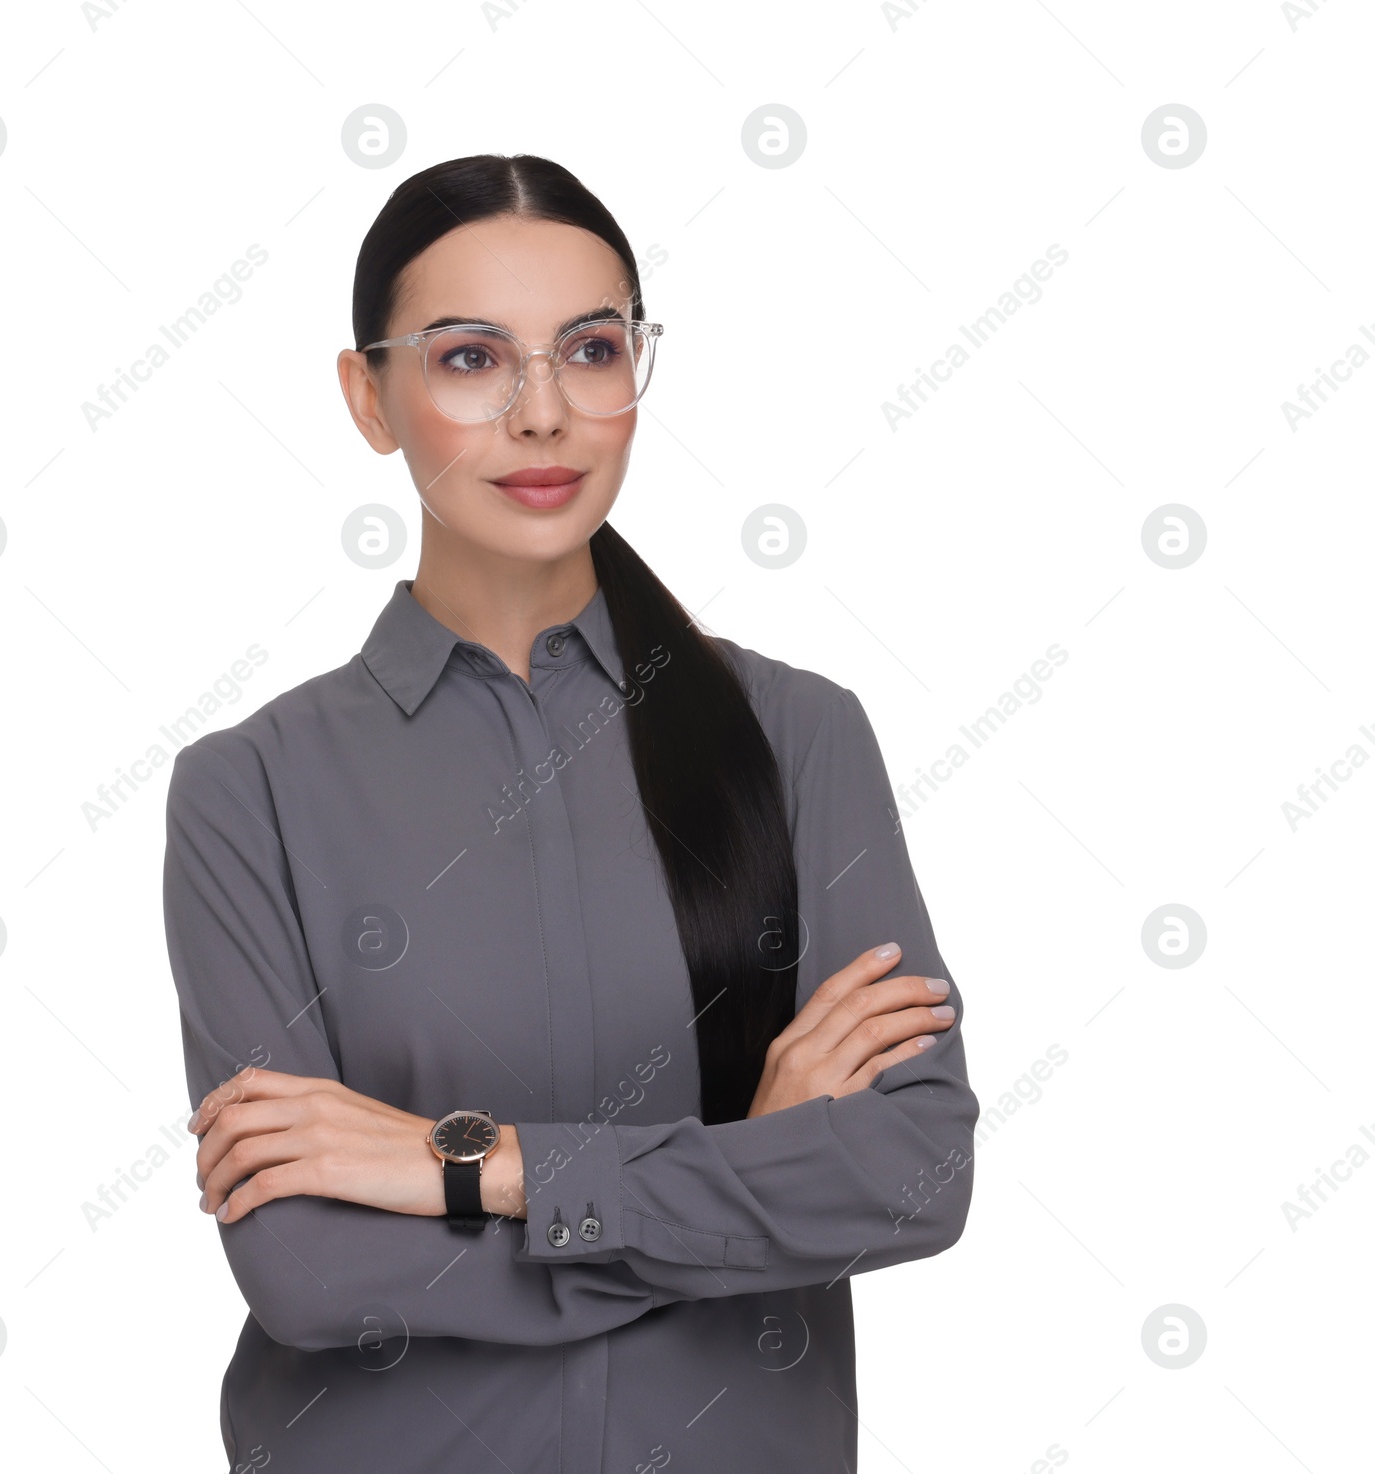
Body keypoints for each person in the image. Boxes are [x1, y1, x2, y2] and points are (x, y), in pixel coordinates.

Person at [163, 152, 978, 1473]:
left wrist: (460, 1163)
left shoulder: (797, 737)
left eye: (591, 349)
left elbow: (915, 1169)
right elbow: (308, 1272)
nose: (544, 414)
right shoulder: (250, 789)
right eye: (471, 359)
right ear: (369, 396)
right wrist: (751, 1175)